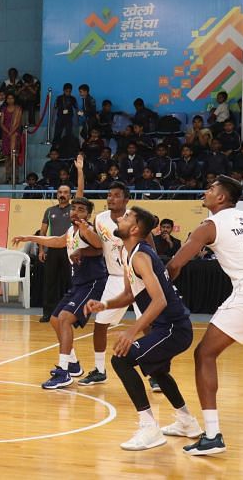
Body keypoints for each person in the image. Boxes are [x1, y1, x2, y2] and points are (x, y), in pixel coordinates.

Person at [167, 176, 243, 455]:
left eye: (210, 189)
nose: (205, 192)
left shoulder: (210, 225)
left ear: (221, 198)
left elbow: (176, 263)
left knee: (205, 354)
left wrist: (156, 289)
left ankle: (212, 436)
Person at [84, 206, 197, 451]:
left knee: (121, 360)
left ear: (134, 229)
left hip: (174, 328)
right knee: (156, 369)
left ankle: (149, 428)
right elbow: (128, 295)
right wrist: (103, 304)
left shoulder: (140, 256)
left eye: (126, 217)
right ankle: (187, 422)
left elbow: (160, 301)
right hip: (166, 327)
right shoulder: (126, 253)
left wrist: (131, 331)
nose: (120, 218)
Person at [12, 197, 107, 389]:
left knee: (64, 318)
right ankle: (72, 363)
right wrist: (30, 238)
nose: (76, 212)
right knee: (55, 319)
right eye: (74, 209)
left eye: (81, 210)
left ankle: (63, 371)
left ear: (88, 215)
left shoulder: (86, 229)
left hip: (93, 283)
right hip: (78, 283)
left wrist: (86, 230)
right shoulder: (72, 230)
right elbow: (57, 241)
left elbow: (98, 245)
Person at [72, 157, 141, 386]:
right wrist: (82, 253)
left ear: (126, 199)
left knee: (149, 326)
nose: (111, 198)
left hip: (139, 278)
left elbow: (148, 246)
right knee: (100, 324)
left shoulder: (135, 218)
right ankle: (100, 370)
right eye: (109, 195)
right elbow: (99, 248)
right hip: (114, 279)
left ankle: (154, 375)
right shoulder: (100, 219)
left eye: (116, 195)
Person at [38, 185, 73, 322]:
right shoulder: (49, 211)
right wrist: (41, 249)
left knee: (70, 282)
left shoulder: (73, 210)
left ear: (70, 195)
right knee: (49, 282)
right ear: (57, 194)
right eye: (60, 192)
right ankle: (48, 313)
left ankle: (71, 313)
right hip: (52, 250)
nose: (62, 194)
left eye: (65, 192)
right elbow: (42, 232)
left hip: (69, 250)